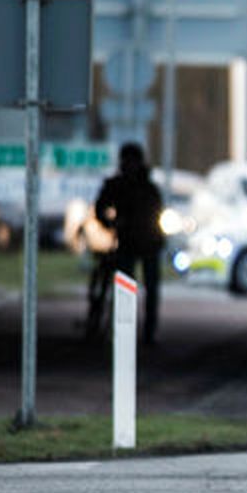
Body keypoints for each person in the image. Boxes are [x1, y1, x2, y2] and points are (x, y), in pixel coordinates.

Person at [94, 142, 166, 345]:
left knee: (150, 290)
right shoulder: (118, 185)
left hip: (149, 243)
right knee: (126, 289)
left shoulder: (148, 187)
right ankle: (124, 331)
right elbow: (101, 208)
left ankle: (148, 333)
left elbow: (158, 212)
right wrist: (111, 223)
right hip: (128, 242)